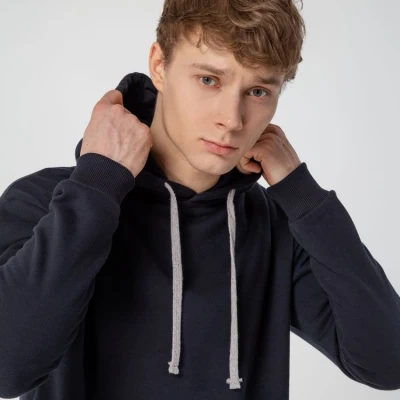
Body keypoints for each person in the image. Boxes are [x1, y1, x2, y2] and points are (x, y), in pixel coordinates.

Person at [0, 0, 399, 399]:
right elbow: (6, 369)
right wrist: (96, 186)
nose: (233, 119)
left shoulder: (277, 227)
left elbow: (388, 363)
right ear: (159, 65)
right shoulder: (49, 203)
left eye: (258, 91)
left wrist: (302, 194)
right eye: (209, 80)